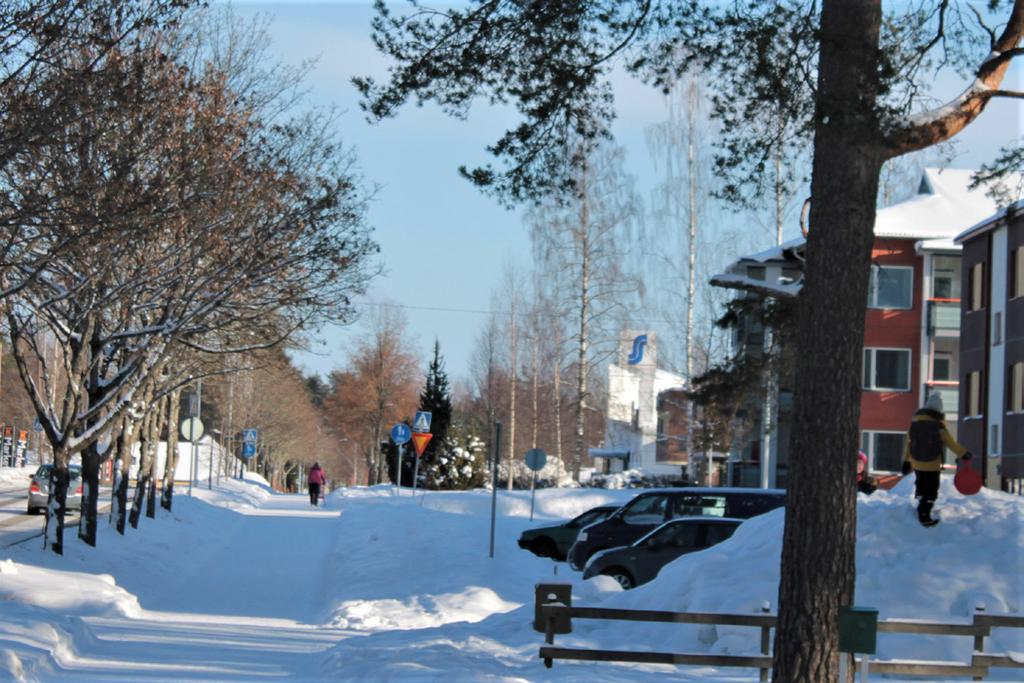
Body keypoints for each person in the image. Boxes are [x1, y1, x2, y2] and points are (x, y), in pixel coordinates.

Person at [901, 393, 971, 527]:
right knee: (932, 489)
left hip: (917, 462)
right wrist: (964, 453)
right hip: (932, 463)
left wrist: (906, 461)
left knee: (921, 485)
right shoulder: (938, 426)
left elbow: (909, 444)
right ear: (939, 410)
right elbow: (950, 443)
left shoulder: (914, 424)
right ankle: (925, 516)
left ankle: (921, 507)